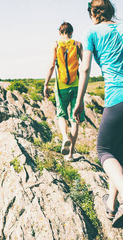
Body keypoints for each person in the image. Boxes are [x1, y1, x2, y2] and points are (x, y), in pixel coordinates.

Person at [73, 0, 123, 228]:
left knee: (103, 150)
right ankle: (111, 204)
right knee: (117, 150)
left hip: (119, 97)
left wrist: (79, 103)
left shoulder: (91, 32)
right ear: (111, 11)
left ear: (92, 12)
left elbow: (85, 68)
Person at [44, 22, 85, 161]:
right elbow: (85, 66)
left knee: (61, 114)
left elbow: (51, 65)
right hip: (76, 86)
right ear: (71, 32)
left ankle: (65, 137)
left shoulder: (55, 44)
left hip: (61, 86)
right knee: (75, 119)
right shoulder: (78, 45)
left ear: (60, 32)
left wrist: (46, 84)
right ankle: (70, 154)